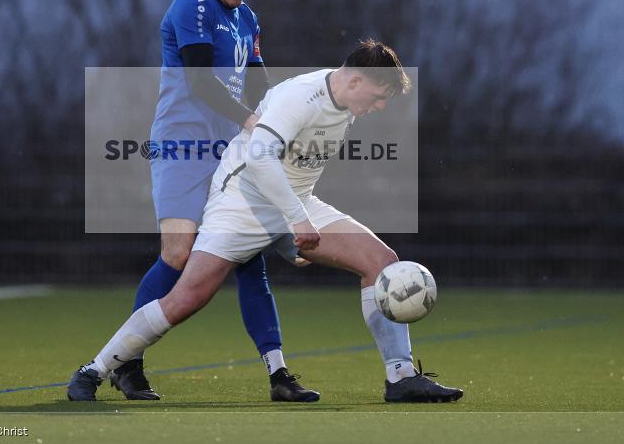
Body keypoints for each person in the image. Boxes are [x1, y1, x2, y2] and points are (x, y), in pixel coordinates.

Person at [68, 39, 465, 403]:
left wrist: (295, 227)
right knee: (186, 299)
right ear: (356, 79)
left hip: (296, 205)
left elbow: (298, 170)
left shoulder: (347, 104)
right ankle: (93, 370)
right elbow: (259, 159)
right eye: (379, 97)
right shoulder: (299, 97)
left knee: (382, 262)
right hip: (241, 204)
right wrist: (296, 222)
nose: (379, 106)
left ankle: (401, 377)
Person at [68, 0, 317, 402]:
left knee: (249, 259)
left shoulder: (247, 19)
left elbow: (263, 87)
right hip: (183, 147)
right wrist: (252, 122)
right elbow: (201, 82)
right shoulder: (192, 5)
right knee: (179, 255)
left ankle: (279, 374)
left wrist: (291, 121)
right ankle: (126, 364)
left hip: (231, 153)